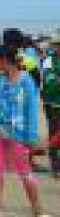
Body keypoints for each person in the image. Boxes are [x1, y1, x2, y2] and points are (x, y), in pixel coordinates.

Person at [0, 45, 54, 217]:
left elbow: (31, 110)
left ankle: (37, 209)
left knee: (25, 171)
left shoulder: (26, 81)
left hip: (19, 133)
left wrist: (30, 138)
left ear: (5, 60)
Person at [42, 39, 60, 178]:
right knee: (54, 134)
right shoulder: (49, 60)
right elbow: (48, 81)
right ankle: (56, 167)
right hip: (53, 103)